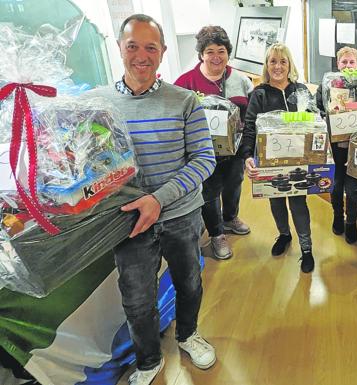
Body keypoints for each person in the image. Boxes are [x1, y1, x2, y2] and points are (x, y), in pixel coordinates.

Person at [88, 14, 217, 385]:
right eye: (133, 46)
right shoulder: (97, 105)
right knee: (136, 298)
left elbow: (204, 159)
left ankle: (188, 334)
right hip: (127, 221)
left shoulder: (185, 101)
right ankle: (148, 360)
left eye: (150, 47)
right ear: (119, 49)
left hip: (180, 215)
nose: (141, 56)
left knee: (189, 282)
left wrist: (158, 199)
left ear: (162, 52)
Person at [175, 25, 254, 260]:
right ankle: (217, 234)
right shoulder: (185, 83)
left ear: (228, 53)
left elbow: (250, 115)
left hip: (235, 151)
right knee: (209, 193)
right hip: (203, 153)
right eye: (210, 51)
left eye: (221, 50)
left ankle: (230, 218)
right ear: (201, 54)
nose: (216, 57)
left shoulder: (241, 79)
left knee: (234, 185)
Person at [240, 43, 315, 273]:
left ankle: (306, 248)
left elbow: (314, 123)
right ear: (266, 65)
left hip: (297, 162)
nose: (278, 66)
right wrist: (246, 157)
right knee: (276, 200)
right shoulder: (259, 94)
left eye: (283, 61)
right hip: (269, 161)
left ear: (289, 64)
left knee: (298, 203)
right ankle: (284, 235)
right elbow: (250, 127)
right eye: (273, 61)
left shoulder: (300, 91)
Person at [315, 46, 357, 244]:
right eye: (344, 62)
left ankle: (351, 223)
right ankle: (337, 216)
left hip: (355, 147)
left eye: (352, 62)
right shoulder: (327, 84)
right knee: (335, 186)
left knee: (353, 190)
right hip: (334, 147)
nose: (348, 66)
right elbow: (316, 108)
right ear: (338, 63)